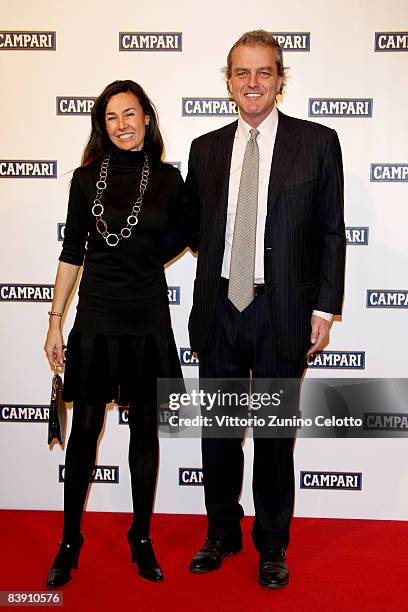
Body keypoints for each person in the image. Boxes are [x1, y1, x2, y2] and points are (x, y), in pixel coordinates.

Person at [186, 31, 345, 588]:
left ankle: (272, 545)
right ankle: (221, 532)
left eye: (263, 72)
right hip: (221, 306)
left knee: (275, 436)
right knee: (220, 433)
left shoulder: (317, 142)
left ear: (280, 79)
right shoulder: (204, 149)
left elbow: (330, 232)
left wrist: (325, 307)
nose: (252, 83)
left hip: (282, 310)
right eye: (241, 73)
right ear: (228, 83)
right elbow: (187, 228)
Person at [44, 79, 197, 587]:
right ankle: (70, 540)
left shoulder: (170, 181)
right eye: (111, 118)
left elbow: (184, 236)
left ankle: (141, 536)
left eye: (130, 114)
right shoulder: (86, 179)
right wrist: (54, 321)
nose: (122, 125)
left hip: (148, 318)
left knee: (145, 433)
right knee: (84, 431)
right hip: (98, 317)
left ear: (147, 118)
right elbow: (71, 254)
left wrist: (149, 259)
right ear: (101, 126)